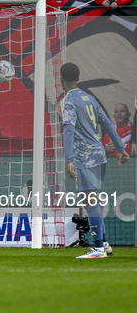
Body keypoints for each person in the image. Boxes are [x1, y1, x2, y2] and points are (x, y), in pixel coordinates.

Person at [60, 62, 129, 258]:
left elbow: (68, 128)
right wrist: (120, 148)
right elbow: (106, 122)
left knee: (90, 201)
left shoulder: (68, 101)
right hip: (99, 154)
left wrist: (69, 159)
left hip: (85, 156)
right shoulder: (89, 98)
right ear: (79, 77)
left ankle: (98, 247)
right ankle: (104, 243)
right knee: (92, 200)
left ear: (61, 79)